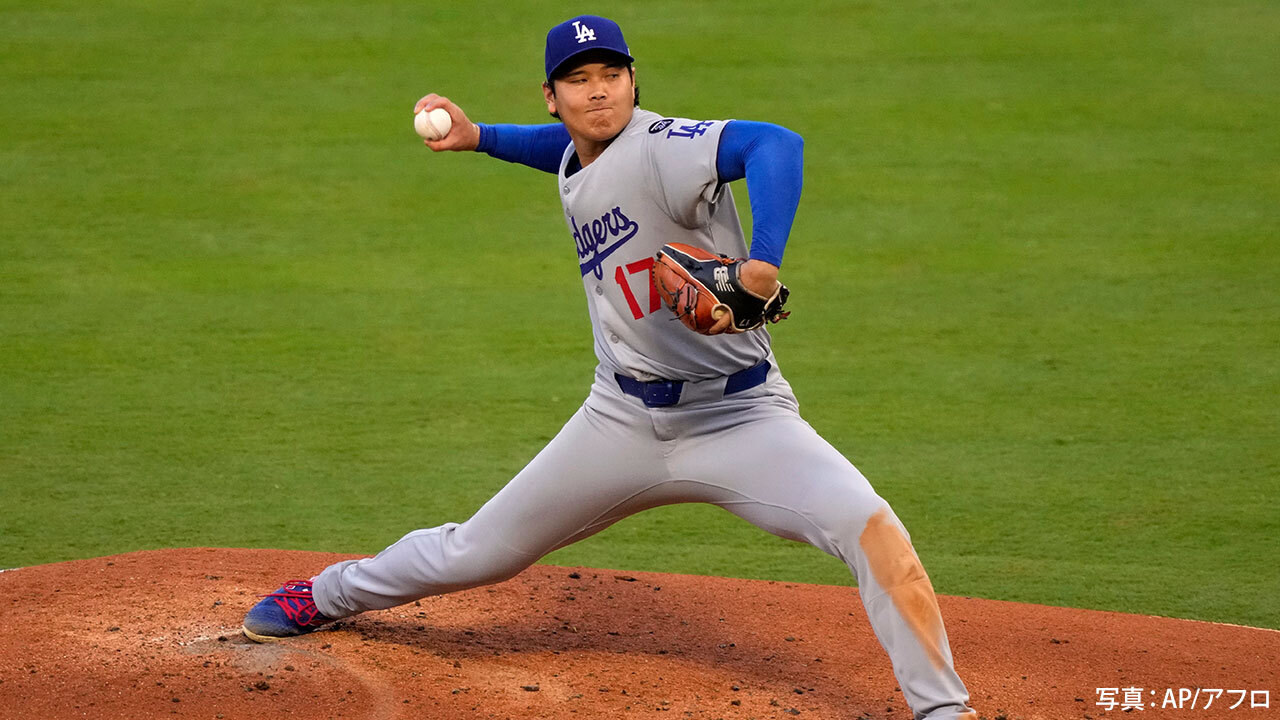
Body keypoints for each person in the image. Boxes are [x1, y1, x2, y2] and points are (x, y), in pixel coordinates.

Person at [243, 15, 976, 719]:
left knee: (872, 528)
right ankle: (328, 593)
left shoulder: (664, 147)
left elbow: (774, 142)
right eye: (578, 80)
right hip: (620, 421)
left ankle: (943, 710)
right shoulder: (578, 149)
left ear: (633, 81)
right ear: (552, 96)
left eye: (612, 75)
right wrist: (480, 137)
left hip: (742, 418)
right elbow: (565, 151)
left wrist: (763, 262)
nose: (598, 91)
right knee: (477, 552)